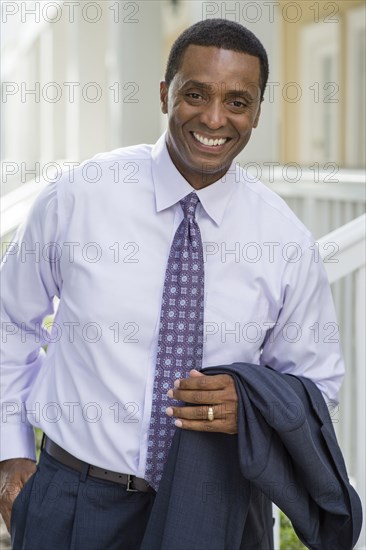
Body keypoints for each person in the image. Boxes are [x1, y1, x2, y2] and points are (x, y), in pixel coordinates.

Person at [0, 18, 345, 549]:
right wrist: (11, 452)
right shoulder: (79, 198)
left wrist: (249, 408)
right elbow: (10, 322)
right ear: (165, 95)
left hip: (219, 511)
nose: (213, 118)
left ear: (256, 111)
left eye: (236, 101)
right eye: (195, 94)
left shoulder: (285, 242)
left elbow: (317, 384)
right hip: (75, 504)